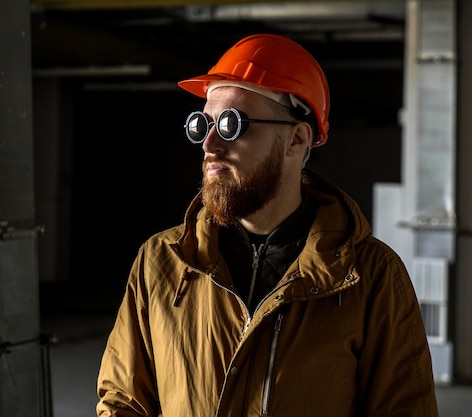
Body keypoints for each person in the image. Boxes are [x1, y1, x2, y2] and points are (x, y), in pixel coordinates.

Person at [96, 33, 439, 417]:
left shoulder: (372, 277)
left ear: (296, 138)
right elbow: (122, 402)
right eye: (202, 124)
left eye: (232, 124)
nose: (209, 145)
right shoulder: (162, 261)